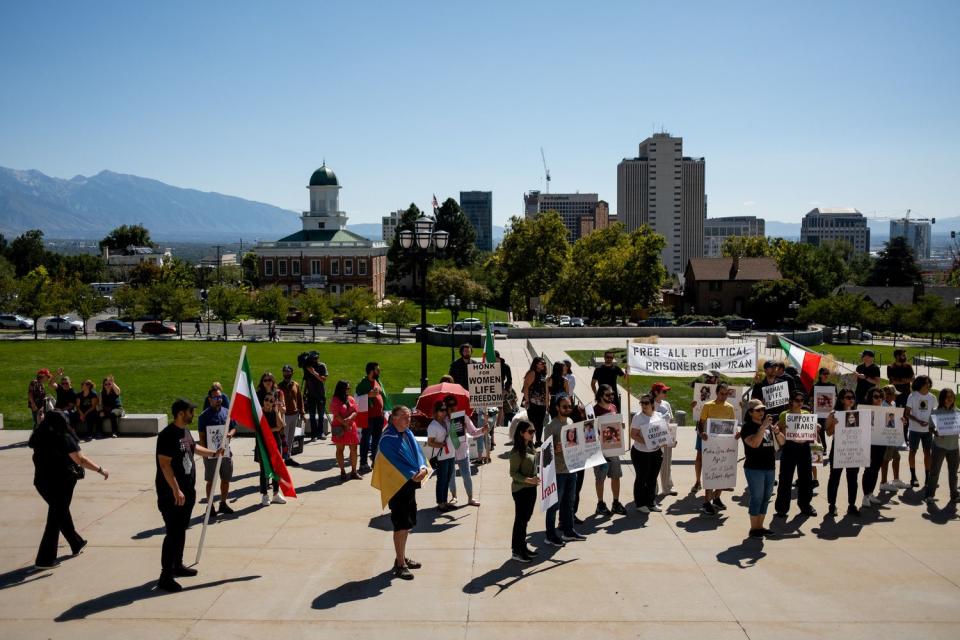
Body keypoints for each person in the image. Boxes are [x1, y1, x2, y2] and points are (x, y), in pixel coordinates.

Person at [155, 399, 222, 592]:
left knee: (181, 529)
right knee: (173, 533)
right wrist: (176, 489)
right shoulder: (167, 435)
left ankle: (177, 564)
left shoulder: (184, 432)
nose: (193, 413)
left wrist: (214, 453)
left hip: (187, 491)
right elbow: (165, 465)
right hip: (172, 494)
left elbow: (194, 448)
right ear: (181, 413)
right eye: (190, 411)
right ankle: (165, 576)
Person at [29, 411, 109, 569]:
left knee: (60, 512)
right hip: (61, 483)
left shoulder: (39, 435)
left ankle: (76, 543)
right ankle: (45, 560)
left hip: (42, 483)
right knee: (55, 519)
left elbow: (41, 424)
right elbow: (81, 460)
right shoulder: (64, 437)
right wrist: (101, 470)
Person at [377, 405, 428, 580]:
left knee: (407, 524)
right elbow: (396, 461)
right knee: (400, 525)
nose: (409, 420)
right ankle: (400, 564)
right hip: (396, 488)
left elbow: (418, 453)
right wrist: (413, 474)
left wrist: (422, 467)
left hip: (409, 486)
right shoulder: (387, 439)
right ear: (394, 418)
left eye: (409, 417)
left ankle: (402, 556)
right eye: (405, 417)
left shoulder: (407, 433)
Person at [543, 395, 586, 544]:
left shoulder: (571, 422)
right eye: (564, 407)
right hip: (558, 472)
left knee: (569, 502)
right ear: (557, 408)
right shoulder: (551, 427)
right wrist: (555, 449)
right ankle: (550, 535)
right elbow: (545, 453)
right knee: (554, 505)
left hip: (571, 469)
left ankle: (569, 531)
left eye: (570, 406)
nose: (568, 409)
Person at [741, 399, 784, 538]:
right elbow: (754, 444)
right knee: (757, 497)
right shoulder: (747, 427)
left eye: (763, 410)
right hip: (754, 468)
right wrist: (762, 427)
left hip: (769, 467)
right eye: (758, 410)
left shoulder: (768, 427)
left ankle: (760, 526)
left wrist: (776, 432)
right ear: (751, 412)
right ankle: (754, 529)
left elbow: (782, 442)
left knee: (766, 497)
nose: (762, 412)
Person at [773, 391, 817, 518]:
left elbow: (810, 432)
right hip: (789, 448)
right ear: (791, 401)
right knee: (785, 478)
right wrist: (780, 429)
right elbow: (780, 430)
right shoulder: (784, 415)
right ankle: (782, 508)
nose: (800, 403)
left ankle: (805, 505)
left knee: (806, 478)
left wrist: (815, 428)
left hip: (804, 448)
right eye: (797, 400)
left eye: (802, 400)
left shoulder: (807, 414)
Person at [197, 387, 237, 518]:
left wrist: (230, 435)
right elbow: (202, 436)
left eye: (220, 397)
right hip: (211, 454)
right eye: (215, 397)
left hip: (225, 453)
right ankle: (210, 506)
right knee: (211, 481)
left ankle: (223, 503)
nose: (218, 400)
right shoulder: (204, 416)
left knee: (225, 479)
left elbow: (233, 428)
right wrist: (206, 454)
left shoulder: (227, 412)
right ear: (210, 400)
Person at [698, 382, 736, 516]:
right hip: (710, 444)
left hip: (725, 445)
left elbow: (732, 426)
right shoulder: (708, 405)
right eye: (722, 394)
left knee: (723, 471)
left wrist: (736, 434)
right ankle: (706, 502)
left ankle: (716, 498)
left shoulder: (730, 407)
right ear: (717, 393)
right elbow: (701, 423)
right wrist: (701, 433)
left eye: (726, 394)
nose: (724, 396)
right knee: (711, 471)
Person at [445, 395, 487, 507]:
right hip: (448, 452)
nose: (452, 408)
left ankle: (470, 498)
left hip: (462, 451)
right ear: (446, 407)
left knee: (466, 475)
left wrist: (482, 430)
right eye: (449, 406)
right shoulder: (443, 420)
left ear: (456, 405)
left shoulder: (463, 417)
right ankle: (454, 496)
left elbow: (473, 432)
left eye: (453, 405)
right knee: (451, 476)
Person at [591, 384, 627, 516]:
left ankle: (615, 503)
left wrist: (620, 426)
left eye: (612, 394)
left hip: (614, 449)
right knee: (600, 478)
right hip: (599, 451)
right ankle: (600, 503)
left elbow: (615, 426)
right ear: (600, 396)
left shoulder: (614, 407)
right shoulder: (594, 411)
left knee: (616, 476)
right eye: (608, 395)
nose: (611, 397)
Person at [825, 390, 861, 517]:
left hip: (853, 448)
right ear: (841, 400)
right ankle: (832, 505)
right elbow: (828, 433)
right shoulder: (834, 414)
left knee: (853, 479)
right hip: (838, 448)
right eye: (848, 397)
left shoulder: (859, 414)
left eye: (853, 397)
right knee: (834, 478)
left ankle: (852, 505)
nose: (851, 399)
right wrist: (834, 425)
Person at [509, 420, 540, 563]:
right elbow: (513, 474)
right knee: (520, 521)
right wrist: (529, 480)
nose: (533, 434)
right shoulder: (516, 452)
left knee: (525, 519)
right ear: (522, 433)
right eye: (530, 431)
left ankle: (522, 546)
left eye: (534, 431)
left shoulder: (530, 447)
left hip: (531, 489)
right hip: (521, 490)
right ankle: (516, 550)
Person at [630, 394, 666, 514]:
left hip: (655, 453)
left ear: (652, 405)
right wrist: (646, 442)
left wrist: (667, 441)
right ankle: (640, 503)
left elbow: (662, 433)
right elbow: (633, 435)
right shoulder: (638, 417)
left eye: (646, 403)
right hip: (641, 453)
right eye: (642, 403)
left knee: (652, 478)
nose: (643, 406)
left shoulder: (658, 415)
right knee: (641, 478)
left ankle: (651, 502)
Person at [924, 388, 959, 504]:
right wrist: (936, 432)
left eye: (951, 397)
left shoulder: (957, 412)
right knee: (934, 472)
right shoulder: (935, 411)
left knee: (953, 473)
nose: (949, 399)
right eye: (947, 397)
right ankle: (929, 495)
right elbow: (930, 428)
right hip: (939, 446)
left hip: (954, 447)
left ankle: (954, 495)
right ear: (942, 398)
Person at [690, 370, 720, 492]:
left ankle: (720, 481)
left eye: (711, 377)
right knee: (700, 456)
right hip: (703, 426)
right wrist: (693, 406)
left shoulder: (722, 390)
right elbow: (697, 407)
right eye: (707, 377)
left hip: (718, 428)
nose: (708, 379)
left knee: (719, 455)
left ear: (716, 378)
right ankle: (697, 481)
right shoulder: (701, 390)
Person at [256, 392, 287, 506]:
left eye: (271, 401)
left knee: (276, 469)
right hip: (263, 445)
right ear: (263, 401)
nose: (268, 402)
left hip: (275, 444)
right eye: (266, 400)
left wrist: (276, 410)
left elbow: (281, 425)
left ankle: (276, 494)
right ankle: (264, 495)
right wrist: (272, 430)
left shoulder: (274, 412)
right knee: (264, 470)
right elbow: (261, 430)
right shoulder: (259, 413)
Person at [905, 375, 936, 488]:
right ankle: (913, 477)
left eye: (929, 383)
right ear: (919, 384)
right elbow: (907, 413)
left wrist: (933, 426)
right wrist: (918, 421)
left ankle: (928, 478)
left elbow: (935, 414)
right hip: (914, 429)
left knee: (927, 453)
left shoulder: (932, 397)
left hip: (928, 431)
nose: (928, 385)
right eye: (925, 383)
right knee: (912, 452)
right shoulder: (912, 396)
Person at [426, 400, 456, 512]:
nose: (444, 412)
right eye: (442, 410)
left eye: (445, 410)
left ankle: (445, 501)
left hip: (451, 454)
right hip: (442, 456)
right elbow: (430, 442)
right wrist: (441, 444)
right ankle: (440, 503)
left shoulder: (447, 421)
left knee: (447, 479)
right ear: (436, 411)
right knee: (442, 480)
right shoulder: (432, 426)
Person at [357, 362, 387, 473]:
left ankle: (375, 461)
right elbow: (357, 397)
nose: (379, 372)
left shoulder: (377, 381)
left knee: (377, 440)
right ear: (371, 371)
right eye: (377, 370)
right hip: (368, 417)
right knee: (365, 440)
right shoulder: (363, 383)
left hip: (379, 416)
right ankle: (363, 463)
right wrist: (368, 395)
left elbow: (382, 395)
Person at [860, 387, 887, 509]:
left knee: (876, 468)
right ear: (870, 397)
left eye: (881, 397)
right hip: (868, 443)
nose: (879, 399)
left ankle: (871, 493)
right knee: (868, 469)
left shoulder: (886, 411)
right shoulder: (865, 410)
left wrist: (900, 421)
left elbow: (892, 426)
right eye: (876, 397)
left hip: (881, 443)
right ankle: (865, 496)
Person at [879, 385, 909, 491]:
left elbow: (894, 418)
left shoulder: (893, 403)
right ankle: (883, 482)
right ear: (887, 395)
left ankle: (896, 480)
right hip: (886, 437)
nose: (895, 397)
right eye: (893, 394)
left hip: (894, 436)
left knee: (897, 457)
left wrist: (901, 420)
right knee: (886, 459)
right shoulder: (882, 405)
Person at [330, 380, 361, 481]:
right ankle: (342, 471)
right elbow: (336, 415)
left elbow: (356, 411)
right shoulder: (335, 400)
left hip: (351, 427)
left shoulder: (350, 399)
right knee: (340, 449)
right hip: (340, 428)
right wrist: (345, 423)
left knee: (354, 449)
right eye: (347, 388)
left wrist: (350, 418)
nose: (348, 390)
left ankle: (354, 471)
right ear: (341, 389)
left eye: (349, 388)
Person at [652, 382, 677, 497]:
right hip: (655, 440)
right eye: (664, 392)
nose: (666, 394)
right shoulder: (650, 404)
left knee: (667, 464)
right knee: (654, 465)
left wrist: (672, 439)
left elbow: (670, 422)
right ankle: (653, 490)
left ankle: (667, 488)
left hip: (666, 438)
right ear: (656, 392)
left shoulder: (666, 404)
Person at [278, 365, 305, 467]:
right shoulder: (279, 386)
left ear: (292, 373)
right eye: (284, 372)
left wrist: (302, 412)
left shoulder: (296, 385)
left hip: (294, 414)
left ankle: (288, 457)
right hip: (284, 415)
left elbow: (300, 399)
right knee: (283, 438)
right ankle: (280, 458)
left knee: (291, 438)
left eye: (288, 372)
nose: (286, 373)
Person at [521, 357, 548, 446]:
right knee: (532, 423)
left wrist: (547, 403)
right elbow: (526, 387)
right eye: (542, 363)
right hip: (533, 403)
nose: (544, 364)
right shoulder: (532, 373)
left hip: (542, 404)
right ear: (536, 364)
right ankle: (530, 441)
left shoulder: (543, 374)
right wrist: (527, 401)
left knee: (540, 424)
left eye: (544, 363)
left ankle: (538, 441)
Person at [303, 355, 329, 441]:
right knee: (312, 415)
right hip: (311, 395)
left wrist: (313, 372)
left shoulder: (322, 366)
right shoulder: (307, 367)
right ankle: (313, 434)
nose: (315, 360)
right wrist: (304, 393)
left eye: (316, 358)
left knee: (321, 415)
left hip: (320, 394)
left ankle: (320, 432)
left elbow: (323, 379)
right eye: (313, 359)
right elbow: (306, 381)